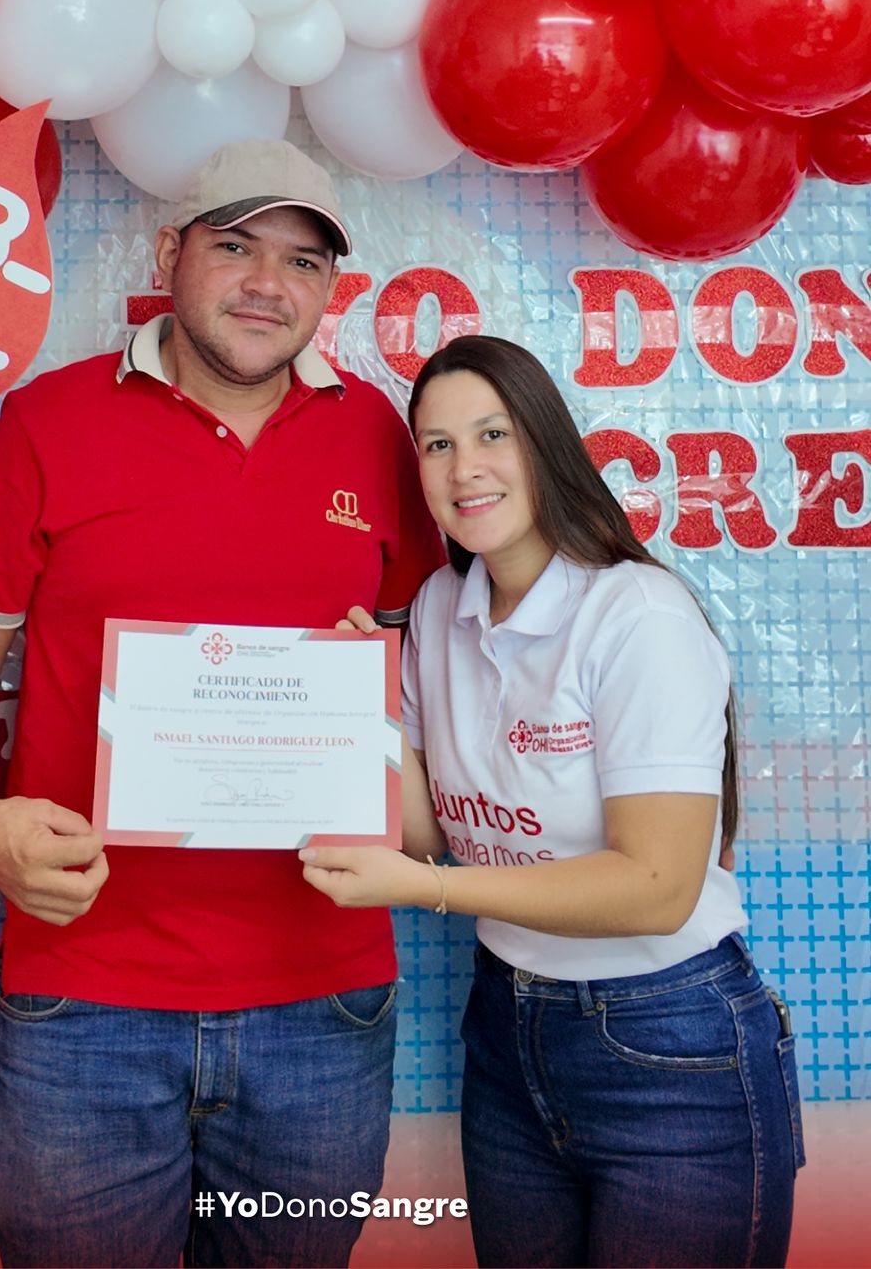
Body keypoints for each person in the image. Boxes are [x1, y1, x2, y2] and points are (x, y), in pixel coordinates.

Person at [0, 139, 445, 1269]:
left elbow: (436, 674)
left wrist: (380, 709)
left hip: (325, 1004)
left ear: (330, 290)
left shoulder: (383, 439)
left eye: (303, 262)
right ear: (171, 253)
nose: (267, 284)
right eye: (236, 246)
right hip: (84, 1000)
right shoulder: (47, 424)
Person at [300, 336, 805, 1268]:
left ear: (545, 442)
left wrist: (426, 891)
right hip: (507, 1035)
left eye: (492, 433)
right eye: (436, 445)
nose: (465, 468)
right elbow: (421, 834)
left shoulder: (635, 615)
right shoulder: (437, 612)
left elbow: (655, 886)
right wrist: (358, 704)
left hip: (668, 1040)